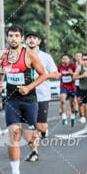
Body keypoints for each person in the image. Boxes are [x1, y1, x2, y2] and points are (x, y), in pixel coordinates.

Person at [0, 25, 47, 174]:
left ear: (21, 39)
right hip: (12, 100)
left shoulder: (29, 55)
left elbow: (43, 75)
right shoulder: (2, 56)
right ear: (7, 38)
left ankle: (34, 141)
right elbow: (0, 72)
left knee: (28, 136)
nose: (13, 39)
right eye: (10, 36)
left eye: (16, 36)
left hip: (29, 100)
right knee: (13, 134)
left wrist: (28, 87)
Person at [24, 32, 59, 161]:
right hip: (26, 96)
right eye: (29, 38)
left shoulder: (46, 57)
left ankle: (44, 130)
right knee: (29, 126)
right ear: (26, 41)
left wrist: (42, 75)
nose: (32, 40)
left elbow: (56, 74)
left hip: (42, 95)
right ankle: (34, 151)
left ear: (39, 42)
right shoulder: (21, 56)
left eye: (34, 38)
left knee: (40, 126)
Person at [57, 54, 78, 127]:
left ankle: (72, 117)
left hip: (72, 87)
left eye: (66, 59)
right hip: (63, 87)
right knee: (62, 100)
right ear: (61, 60)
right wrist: (58, 75)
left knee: (72, 104)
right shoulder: (59, 66)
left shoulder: (73, 66)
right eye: (63, 59)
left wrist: (72, 73)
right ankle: (64, 117)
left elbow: (76, 75)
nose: (65, 60)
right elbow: (56, 75)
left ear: (69, 59)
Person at [74, 52, 85, 122]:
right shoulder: (73, 65)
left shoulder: (85, 64)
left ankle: (86, 114)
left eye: (79, 56)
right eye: (77, 56)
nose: (78, 57)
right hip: (77, 85)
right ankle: (82, 115)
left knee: (85, 101)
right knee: (79, 100)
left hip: (85, 85)